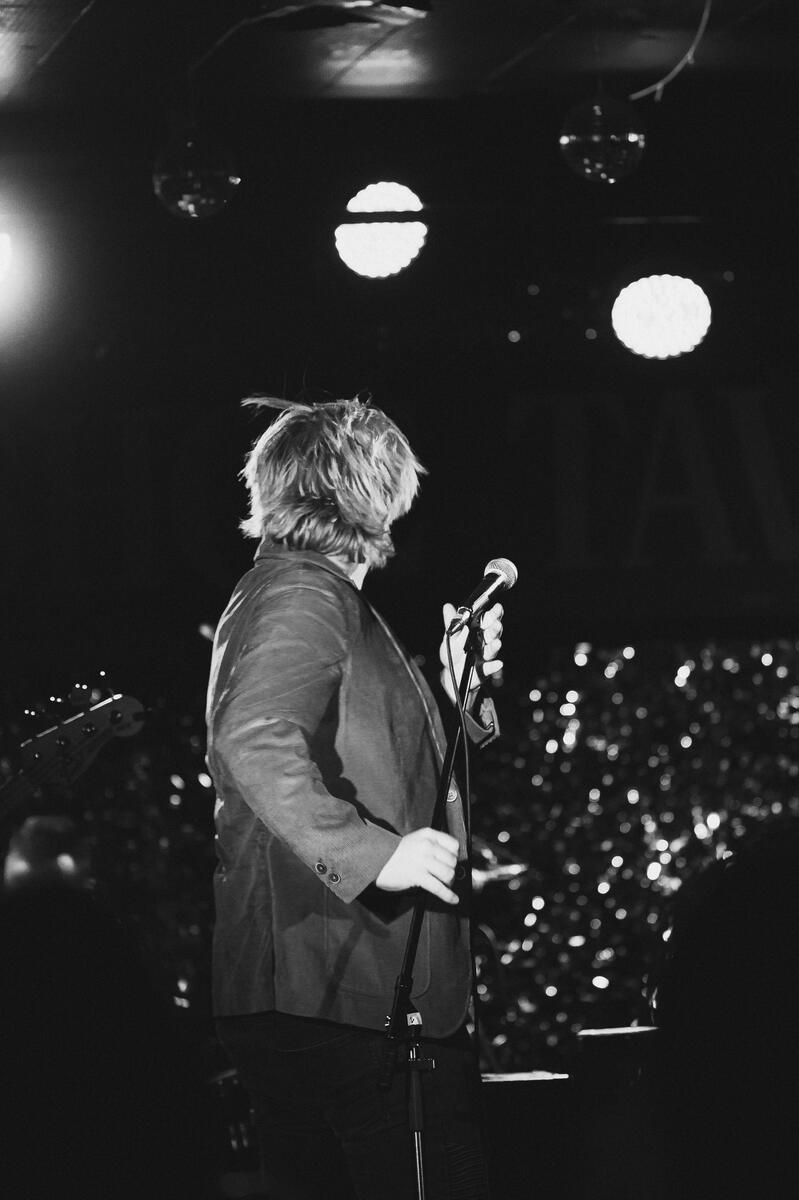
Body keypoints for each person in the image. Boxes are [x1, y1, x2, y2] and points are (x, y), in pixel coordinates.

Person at [206, 395, 504, 1199]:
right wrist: (374, 855)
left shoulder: (304, 595)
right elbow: (252, 735)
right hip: (340, 988)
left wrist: (460, 694)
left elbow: (368, 759)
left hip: (329, 989)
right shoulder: (305, 595)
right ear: (377, 491)